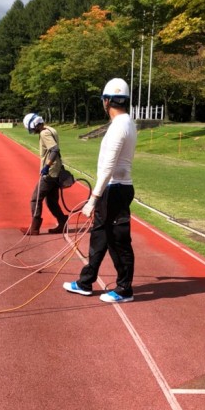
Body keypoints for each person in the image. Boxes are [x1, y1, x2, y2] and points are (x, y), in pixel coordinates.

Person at [63, 78, 137, 303]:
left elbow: (108, 166)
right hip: (113, 188)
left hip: (115, 189)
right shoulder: (128, 122)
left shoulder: (119, 126)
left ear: (106, 101)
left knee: (118, 240)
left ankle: (125, 289)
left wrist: (93, 199)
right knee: (100, 236)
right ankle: (86, 281)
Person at [20, 113, 68, 235]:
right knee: (51, 201)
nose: (32, 131)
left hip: (50, 172)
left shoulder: (44, 133)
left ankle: (35, 228)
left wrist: (47, 166)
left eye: (31, 128)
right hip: (56, 170)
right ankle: (62, 222)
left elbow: (54, 149)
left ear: (34, 124)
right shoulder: (51, 129)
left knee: (35, 199)